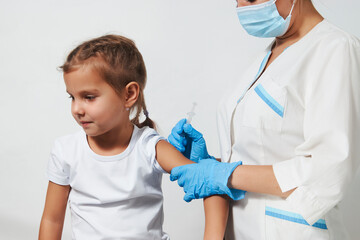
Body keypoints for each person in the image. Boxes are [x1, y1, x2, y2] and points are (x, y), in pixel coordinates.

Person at [168, 0, 360, 239]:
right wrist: (209, 163)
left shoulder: (335, 48)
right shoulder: (268, 55)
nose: (242, 7)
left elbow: (329, 169)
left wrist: (225, 174)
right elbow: (259, 154)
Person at [38, 34, 200, 240]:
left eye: (89, 97)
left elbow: (207, 179)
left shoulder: (150, 147)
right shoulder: (66, 151)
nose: (77, 109)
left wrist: (205, 165)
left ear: (129, 94)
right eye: (72, 97)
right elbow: (52, 220)